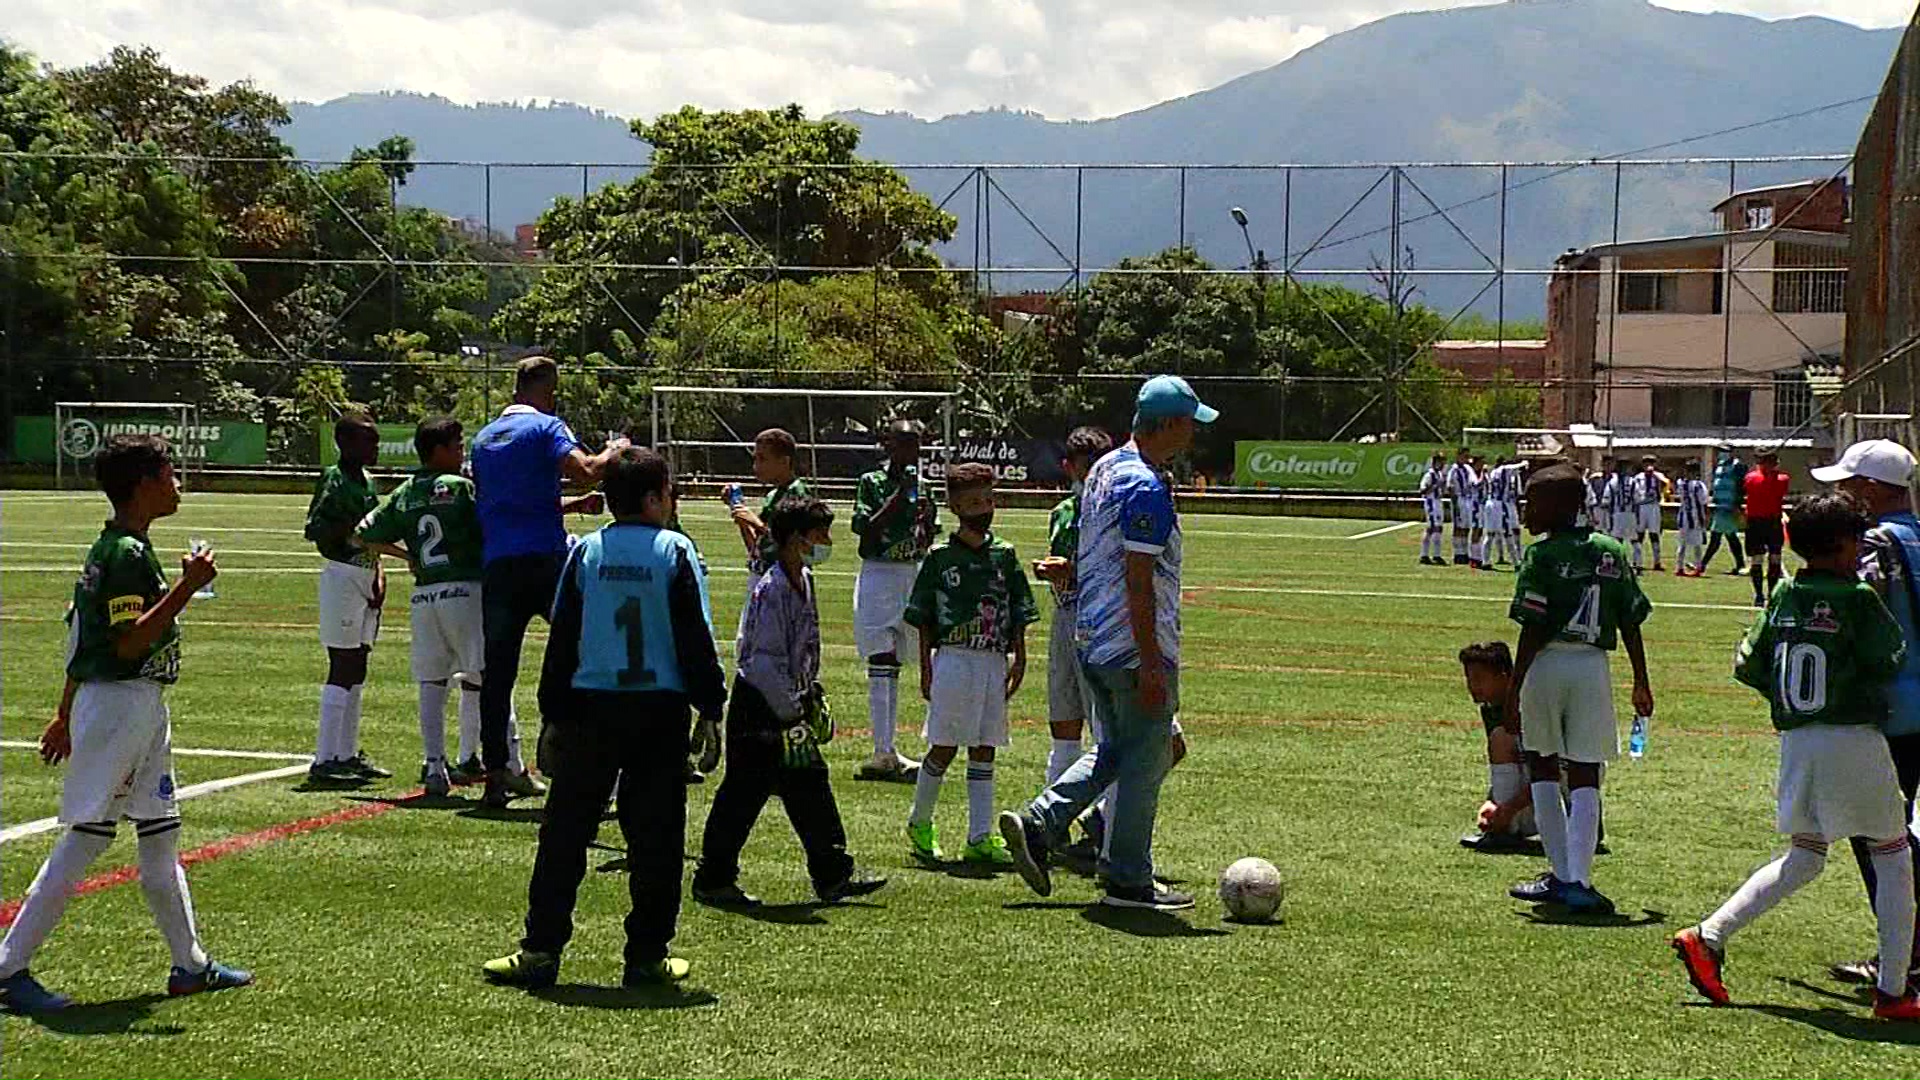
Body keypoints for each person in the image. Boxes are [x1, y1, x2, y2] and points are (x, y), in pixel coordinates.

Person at [0, 435, 251, 1014]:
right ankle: (9, 967)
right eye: (169, 474)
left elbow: (78, 635)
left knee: (161, 834)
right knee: (85, 838)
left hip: (134, 706)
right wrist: (188, 587)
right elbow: (128, 641)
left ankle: (189, 964)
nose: (178, 484)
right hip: (120, 706)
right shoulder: (124, 555)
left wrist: (64, 711)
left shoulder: (120, 549)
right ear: (144, 483)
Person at [482, 448, 726, 990]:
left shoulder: (586, 552)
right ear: (652, 498)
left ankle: (541, 949)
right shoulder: (675, 550)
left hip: (592, 709)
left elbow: (563, 636)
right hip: (658, 711)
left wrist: (552, 714)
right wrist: (711, 708)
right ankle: (646, 954)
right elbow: (694, 637)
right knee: (656, 838)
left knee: (565, 833)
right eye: (668, 491)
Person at [1672, 492, 1920, 1020]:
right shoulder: (1857, 596)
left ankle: (1708, 935)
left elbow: (1749, 665)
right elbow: (1890, 656)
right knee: (1895, 858)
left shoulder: (1784, 591)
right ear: (1845, 544)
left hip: (1799, 742)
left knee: (1806, 854)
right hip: (1852, 737)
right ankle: (1895, 991)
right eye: (1857, 539)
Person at [1001, 374, 1219, 911]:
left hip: (1091, 637)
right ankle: (1126, 878)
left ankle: (1040, 822)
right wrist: (1150, 661)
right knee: (1146, 758)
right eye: (1190, 424)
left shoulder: (1105, 468)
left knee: (1116, 749)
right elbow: (1138, 577)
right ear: (1168, 424)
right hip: (1129, 645)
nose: (1193, 435)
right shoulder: (1145, 485)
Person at [693, 496, 888, 908]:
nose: (827, 541)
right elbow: (761, 660)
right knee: (744, 792)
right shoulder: (773, 588)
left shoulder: (804, 579)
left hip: (785, 700)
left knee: (808, 783)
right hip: (761, 706)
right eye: (820, 534)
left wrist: (808, 690)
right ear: (798, 538)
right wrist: (790, 711)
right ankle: (714, 877)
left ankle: (832, 873)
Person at [469, 356, 625, 807]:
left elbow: (513, 502)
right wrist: (617, 449)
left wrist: (571, 504)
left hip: (498, 564)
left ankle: (495, 775)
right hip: (545, 561)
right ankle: (581, 758)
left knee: (497, 675)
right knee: (584, 653)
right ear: (547, 390)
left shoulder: (483, 439)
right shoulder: (546, 427)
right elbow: (589, 468)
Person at [1504, 464, 1654, 916]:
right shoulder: (1611, 551)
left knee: (1544, 765)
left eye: (1534, 502)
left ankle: (1562, 876)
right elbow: (1631, 618)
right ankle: (1580, 880)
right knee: (1587, 771)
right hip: (1593, 667)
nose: (1527, 511)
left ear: (1561, 506)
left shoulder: (1542, 555)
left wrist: (1514, 687)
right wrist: (1641, 680)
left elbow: (1533, 625)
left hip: (1548, 664)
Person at [355, 417, 516, 797]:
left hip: (426, 594)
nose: (462, 454)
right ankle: (509, 763)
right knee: (489, 677)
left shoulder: (406, 491)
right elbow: (496, 522)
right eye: (458, 446)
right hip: (465, 588)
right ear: (440, 450)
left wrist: (407, 554)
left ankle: (434, 766)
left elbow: (363, 534)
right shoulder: (462, 488)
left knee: (432, 681)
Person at [1809, 440, 1920, 992]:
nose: (1840, 495)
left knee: (1878, 834)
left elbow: (1858, 616)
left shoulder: (1877, 544)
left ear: (1872, 490)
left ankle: (1903, 952)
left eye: (1847, 485)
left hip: (1891, 705)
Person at [904, 462, 1040, 867]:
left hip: (992, 660)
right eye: (974, 502)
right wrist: (926, 668)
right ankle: (920, 821)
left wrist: (1019, 656)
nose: (984, 508)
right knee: (944, 746)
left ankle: (979, 836)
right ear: (956, 506)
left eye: (988, 500)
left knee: (985, 748)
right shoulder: (940, 557)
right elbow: (924, 617)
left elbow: (1018, 610)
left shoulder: (1005, 554)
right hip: (954, 660)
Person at [849, 418, 939, 782]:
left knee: (925, 654)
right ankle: (883, 751)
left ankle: (936, 744)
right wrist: (899, 497)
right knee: (881, 657)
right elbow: (864, 528)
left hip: (912, 571)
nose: (909, 450)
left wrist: (926, 521)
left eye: (915, 443)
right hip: (879, 573)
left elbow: (929, 532)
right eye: (902, 442)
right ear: (888, 445)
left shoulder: (926, 486)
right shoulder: (871, 482)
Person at [303, 413, 389, 783]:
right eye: (368, 441)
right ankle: (324, 759)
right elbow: (314, 528)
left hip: (367, 575)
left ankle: (347, 752)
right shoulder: (333, 478)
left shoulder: (368, 481)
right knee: (341, 662)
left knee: (359, 664)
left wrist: (379, 573)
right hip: (342, 575)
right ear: (346, 443)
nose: (375, 448)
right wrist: (353, 531)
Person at [1457, 641, 1538, 854]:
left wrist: (1508, 810)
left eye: (1479, 679)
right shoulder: (1491, 708)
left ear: (1504, 677)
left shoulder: (1531, 707)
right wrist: (1492, 804)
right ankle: (1503, 827)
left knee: (1500, 739)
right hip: (1538, 794)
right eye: (1469, 679)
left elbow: (1553, 769)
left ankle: (1505, 832)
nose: (1472, 686)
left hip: (1563, 797)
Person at [1745, 447, 1793, 608]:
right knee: (1771, 559)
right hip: (1770, 522)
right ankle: (1767, 594)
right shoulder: (1782, 479)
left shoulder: (1750, 478)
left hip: (1757, 522)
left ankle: (1760, 595)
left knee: (1762, 560)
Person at [1705, 444, 1748, 575]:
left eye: (1724, 451)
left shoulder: (1737, 466)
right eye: (1720, 451)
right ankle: (1740, 565)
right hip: (1720, 506)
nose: (1720, 453)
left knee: (1716, 537)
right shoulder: (1719, 466)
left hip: (1730, 507)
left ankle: (1702, 564)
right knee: (1730, 537)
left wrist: (1737, 504)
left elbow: (1742, 486)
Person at [1628, 455, 1669, 572]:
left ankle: (1657, 561)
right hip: (1641, 506)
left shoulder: (1658, 475)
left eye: (1651, 463)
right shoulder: (1638, 477)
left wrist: (1658, 479)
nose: (1648, 465)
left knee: (1654, 534)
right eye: (1646, 463)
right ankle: (1637, 560)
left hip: (1654, 506)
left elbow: (1667, 484)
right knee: (1639, 534)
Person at [1674, 460, 1710, 577]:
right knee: (1697, 544)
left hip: (1683, 516)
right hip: (1695, 518)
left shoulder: (1681, 483)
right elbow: (1704, 502)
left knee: (1682, 544)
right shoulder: (1699, 485)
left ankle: (1679, 567)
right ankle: (1698, 567)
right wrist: (1705, 517)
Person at [1446, 447, 1479, 567]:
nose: (1466, 459)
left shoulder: (1467, 469)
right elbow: (1450, 486)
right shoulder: (1453, 470)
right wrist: (1454, 500)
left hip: (1468, 499)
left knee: (1466, 527)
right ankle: (1458, 553)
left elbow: (1474, 481)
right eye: (1464, 456)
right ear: (1458, 456)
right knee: (1458, 527)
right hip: (1459, 498)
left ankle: (1465, 553)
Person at [1418, 451, 1448, 566]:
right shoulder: (1429, 475)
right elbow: (1422, 490)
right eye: (1441, 461)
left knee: (1439, 528)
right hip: (1431, 502)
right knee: (1431, 528)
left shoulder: (1439, 474)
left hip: (1438, 502)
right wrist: (1434, 486)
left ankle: (1437, 554)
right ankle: (1424, 554)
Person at [1603, 459, 1635, 547]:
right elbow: (1638, 499)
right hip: (1630, 513)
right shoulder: (1633, 481)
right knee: (1634, 540)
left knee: (1617, 540)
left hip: (1617, 513)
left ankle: (1619, 558)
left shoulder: (1612, 482)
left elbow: (1606, 501)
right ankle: (1637, 560)